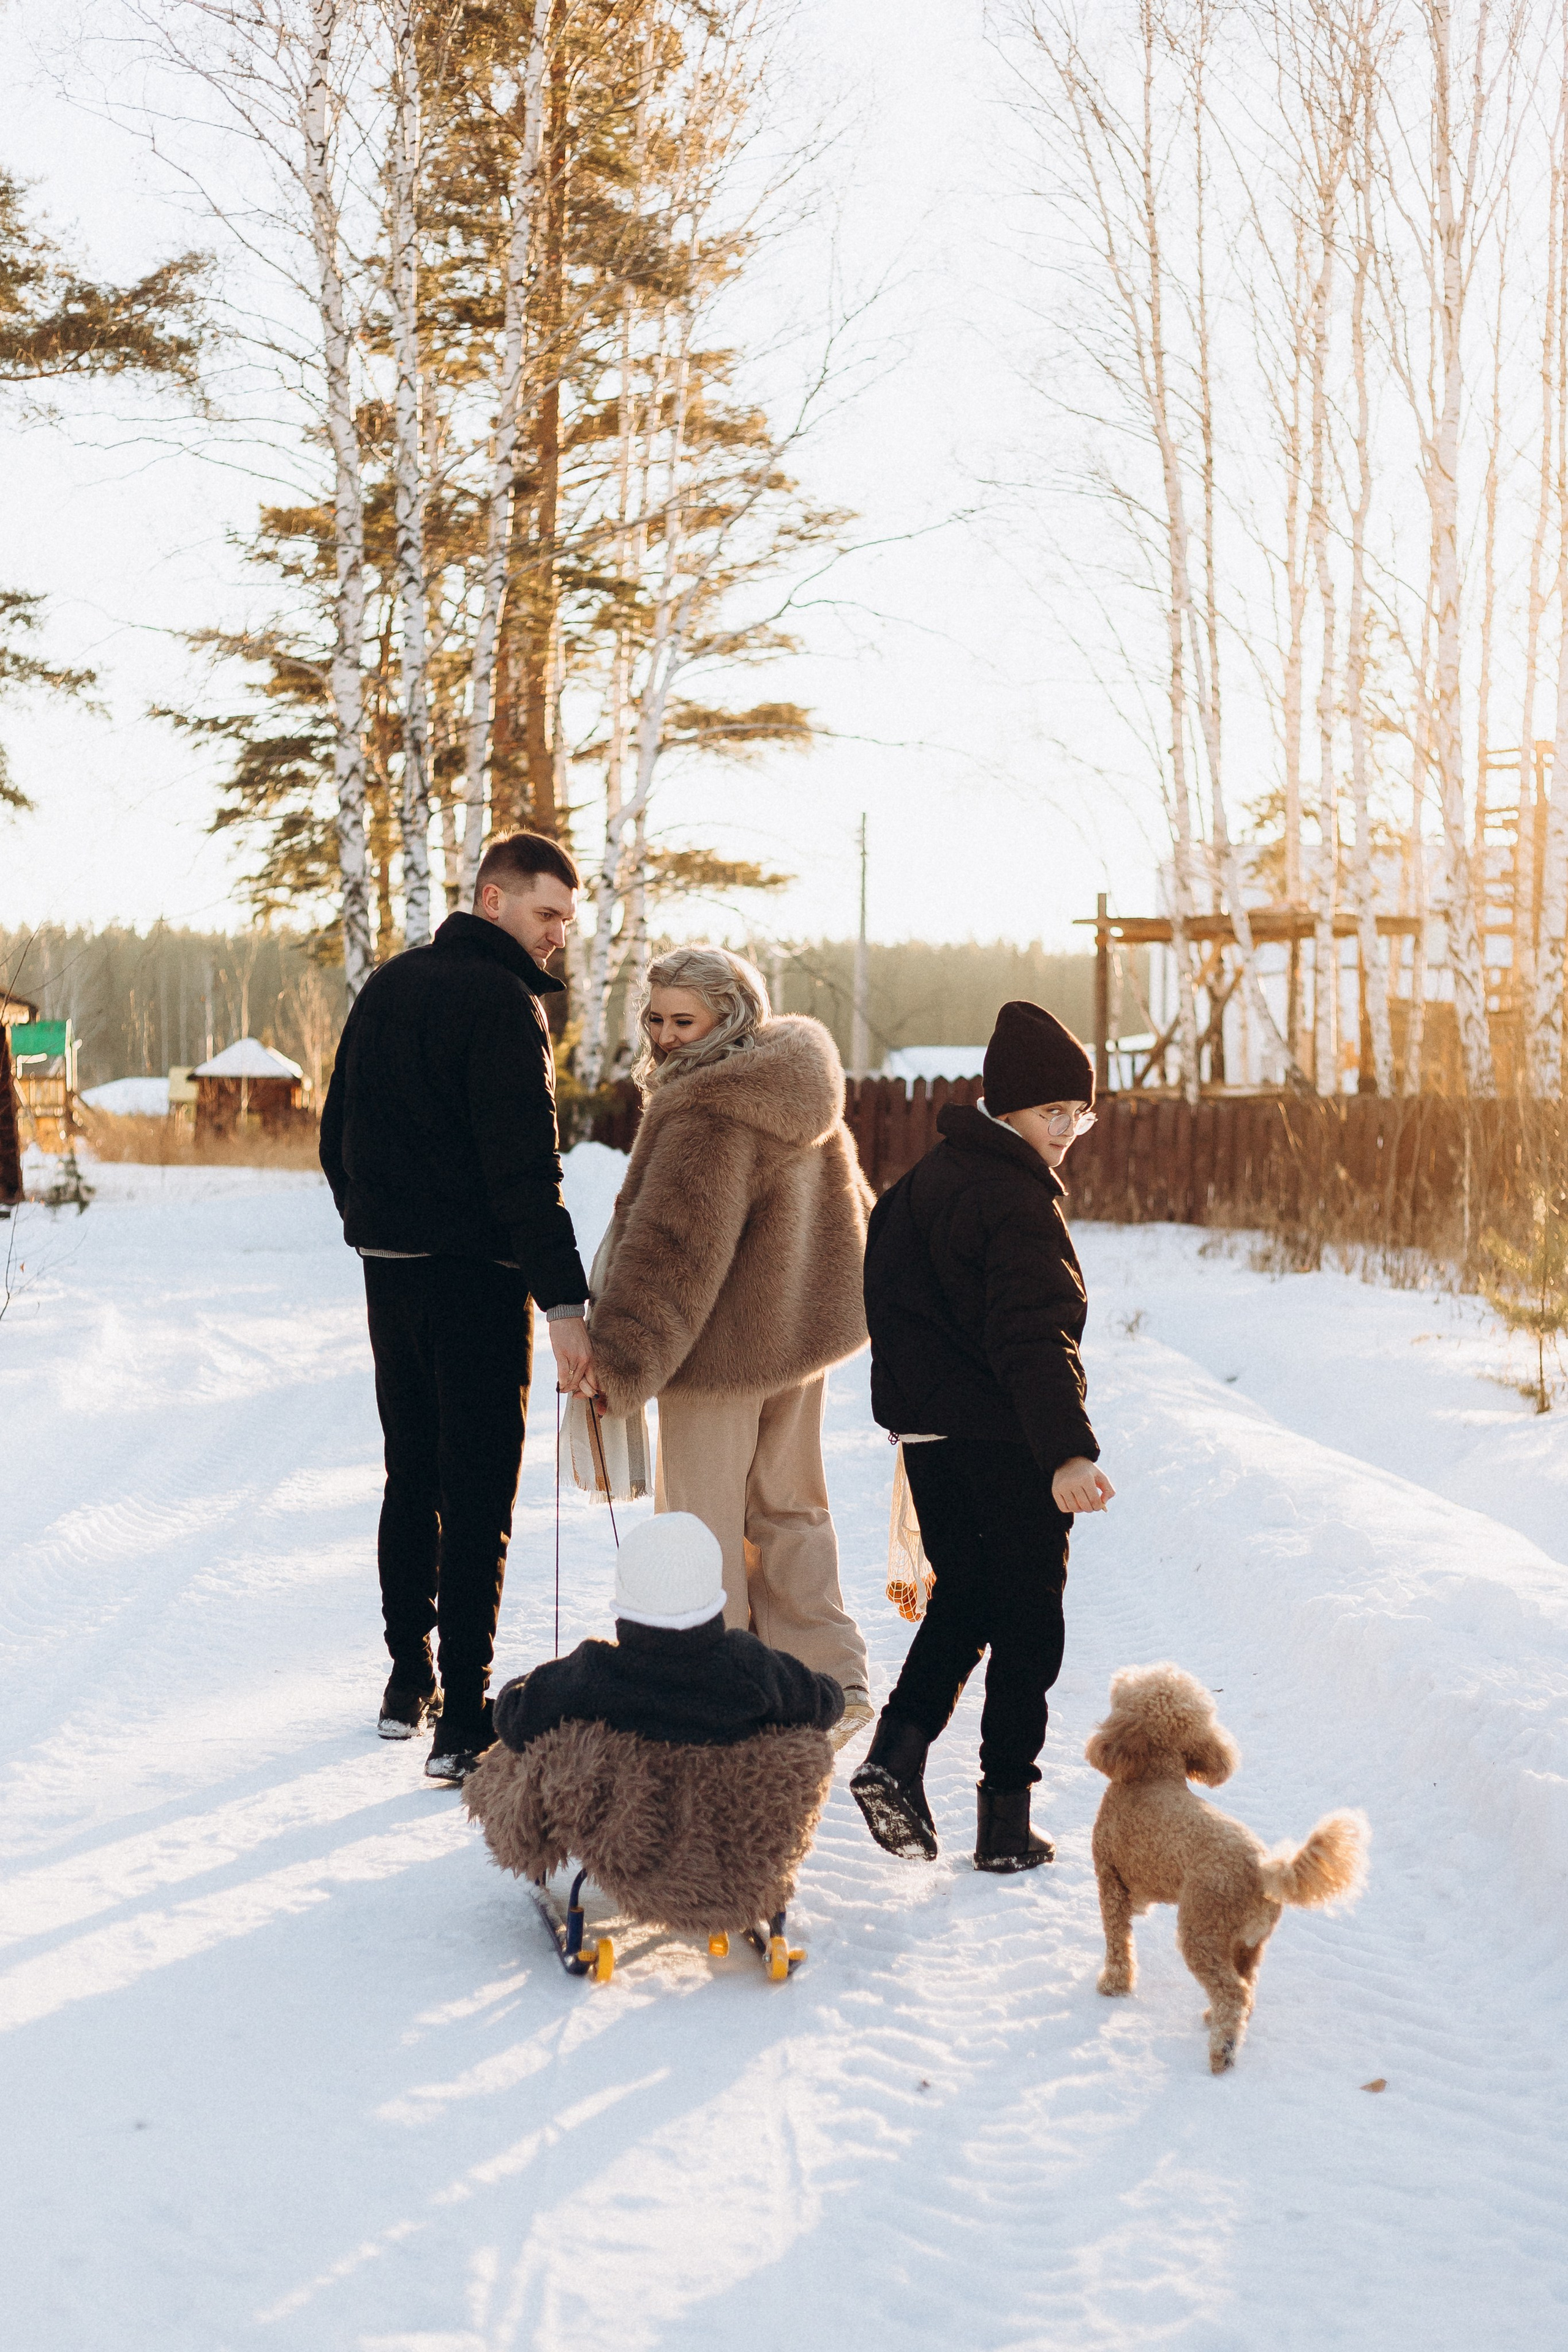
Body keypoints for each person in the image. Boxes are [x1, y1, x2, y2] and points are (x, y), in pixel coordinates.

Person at [319, 831, 600, 1783]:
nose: (559, 932)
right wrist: (564, 1303)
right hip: (477, 1276)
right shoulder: (505, 1004)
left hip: (391, 1270)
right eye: (546, 912)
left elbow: (334, 1130)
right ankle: (465, 1716)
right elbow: (529, 1172)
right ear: (493, 900)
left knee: (415, 1471)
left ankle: (409, 1678)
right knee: (478, 1487)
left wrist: (371, 1220)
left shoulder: (390, 987)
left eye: (566, 916)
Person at [586, 946, 875, 1745]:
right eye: (655, 1019)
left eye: (685, 1020)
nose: (667, 1037)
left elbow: (676, 1251)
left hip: (711, 1360)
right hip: (794, 1350)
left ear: (731, 1017)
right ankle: (831, 1681)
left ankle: (724, 1694)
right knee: (791, 1510)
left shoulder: (707, 1110)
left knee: (701, 1527)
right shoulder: (801, 1088)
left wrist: (623, 1360)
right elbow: (854, 1210)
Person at [851, 998, 1115, 1871]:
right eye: (1054, 1112)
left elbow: (888, 1310)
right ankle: (1005, 1821)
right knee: (1030, 1622)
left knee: (965, 1601)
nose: (1069, 1129)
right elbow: (1035, 1335)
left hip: (929, 1442)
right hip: (1007, 1442)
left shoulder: (917, 1187)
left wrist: (916, 1414)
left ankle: (898, 1753)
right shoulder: (1017, 1201)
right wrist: (1067, 1451)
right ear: (1007, 1110)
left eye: (1079, 1112)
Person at [491, 1512, 845, 1753]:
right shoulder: (748, 1663)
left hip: (630, 1833)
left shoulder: (595, 1670)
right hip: (722, 1828)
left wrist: (527, 1681)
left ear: (625, 1598)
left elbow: (514, 1716)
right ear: (713, 1595)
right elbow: (825, 1701)